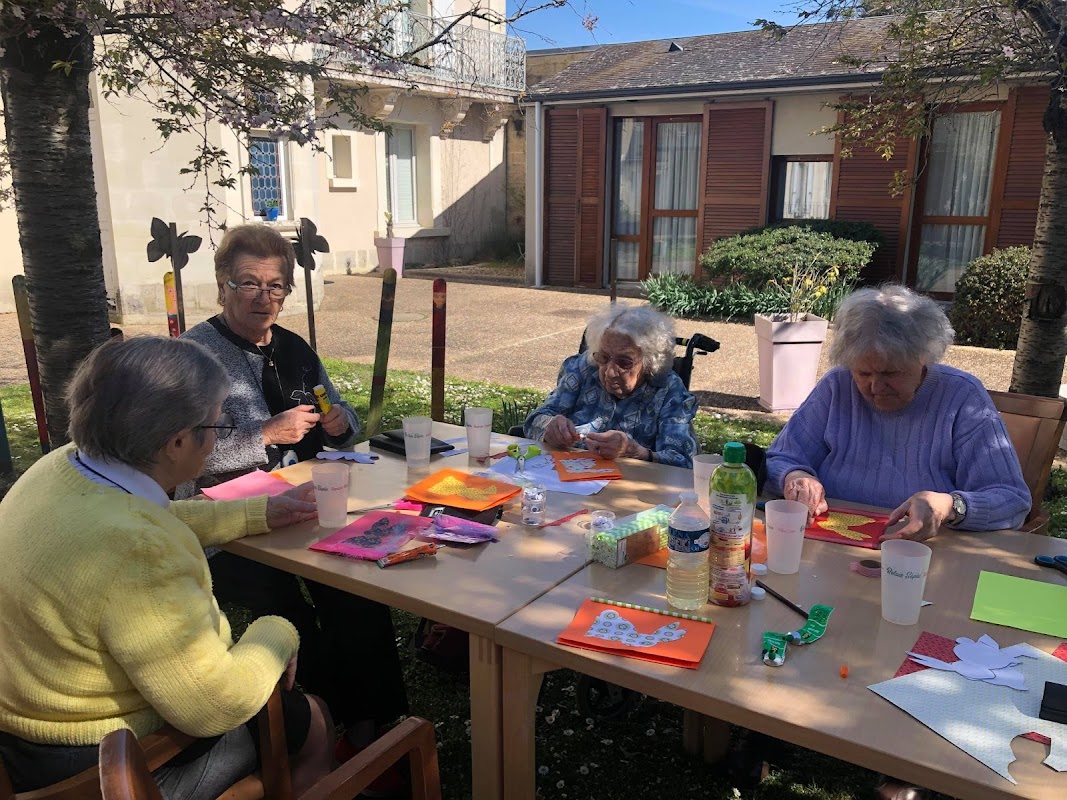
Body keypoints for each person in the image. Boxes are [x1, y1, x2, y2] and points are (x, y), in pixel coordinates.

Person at [0, 337, 333, 800]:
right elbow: (215, 706)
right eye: (217, 422)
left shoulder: (61, 468)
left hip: (25, 734)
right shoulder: (139, 551)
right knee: (311, 718)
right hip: (102, 766)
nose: (219, 436)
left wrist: (260, 513)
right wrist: (279, 631)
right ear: (177, 441)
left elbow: (141, 520)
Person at [179, 224, 408, 766]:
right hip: (229, 525)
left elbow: (341, 411)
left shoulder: (294, 348)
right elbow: (182, 455)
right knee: (284, 608)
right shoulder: (193, 356)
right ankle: (322, 725)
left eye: (275, 286)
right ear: (222, 286)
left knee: (355, 586)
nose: (265, 298)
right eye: (249, 284)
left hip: (305, 504)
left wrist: (337, 421)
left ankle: (374, 726)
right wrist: (264, 435)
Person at [766, 284, 1031, 541]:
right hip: (831, 545)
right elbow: (780, 457)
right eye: (863, 373)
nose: (876, 386)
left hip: (923, 554)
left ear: (924, 358)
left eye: (891, 372)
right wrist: (796, 477)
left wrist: (950, 506)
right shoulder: (838, 385)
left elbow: (1011, 499)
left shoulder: (962, 396)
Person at [523, 304, 698, 468]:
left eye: (624, 362)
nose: (609, 372)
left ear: (648, 363)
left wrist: (638, 453)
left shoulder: (669, 390)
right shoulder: (582, 368)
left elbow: (683, 461)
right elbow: (535, 420)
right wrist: (549, 426)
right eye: (604, 358)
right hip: (568, 479)